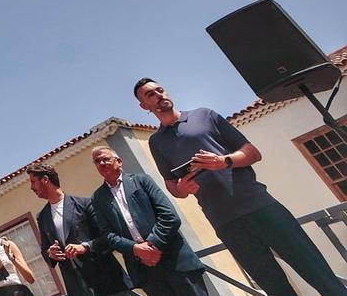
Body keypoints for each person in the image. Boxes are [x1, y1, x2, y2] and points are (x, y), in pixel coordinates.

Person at [135, 78, 347, 296]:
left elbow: (253, 153)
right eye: (150, 94)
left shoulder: (205, 115)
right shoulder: (156, 142)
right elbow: (172, 186)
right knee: (274, 287)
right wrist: (183, 188)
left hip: (261, 206)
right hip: (225, 222)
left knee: (316, 272)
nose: (159, 95)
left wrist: (224, 161)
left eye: (160, 89)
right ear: (144, 106)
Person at [88, 146, 208, 296]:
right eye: (97, 161)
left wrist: (152, 245)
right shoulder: (98, 198)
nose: (102, 163)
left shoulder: (141, 181)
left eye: (106, 159)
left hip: (175, 261)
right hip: (146, 272)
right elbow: (108, 235)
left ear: (119, 161)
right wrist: (136, 249)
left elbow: (170, 216)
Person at [28, 162, 135, 296]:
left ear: (45, 179)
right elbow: (45, 250)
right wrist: (51, 253)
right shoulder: (42, 217)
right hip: (78, 288)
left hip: (108, 282)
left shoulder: (85, 204)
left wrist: (85, 246)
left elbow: (108, 237)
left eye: (33, 182)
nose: (31, 187)